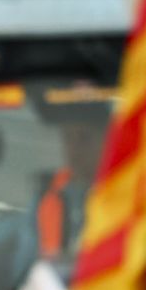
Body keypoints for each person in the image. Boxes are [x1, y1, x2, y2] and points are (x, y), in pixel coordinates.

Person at [35, 103, 109, 263]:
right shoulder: (48, 192)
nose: (74, 149)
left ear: (106, 140)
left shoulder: (125, 192)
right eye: (68, 138)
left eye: (84, 138)